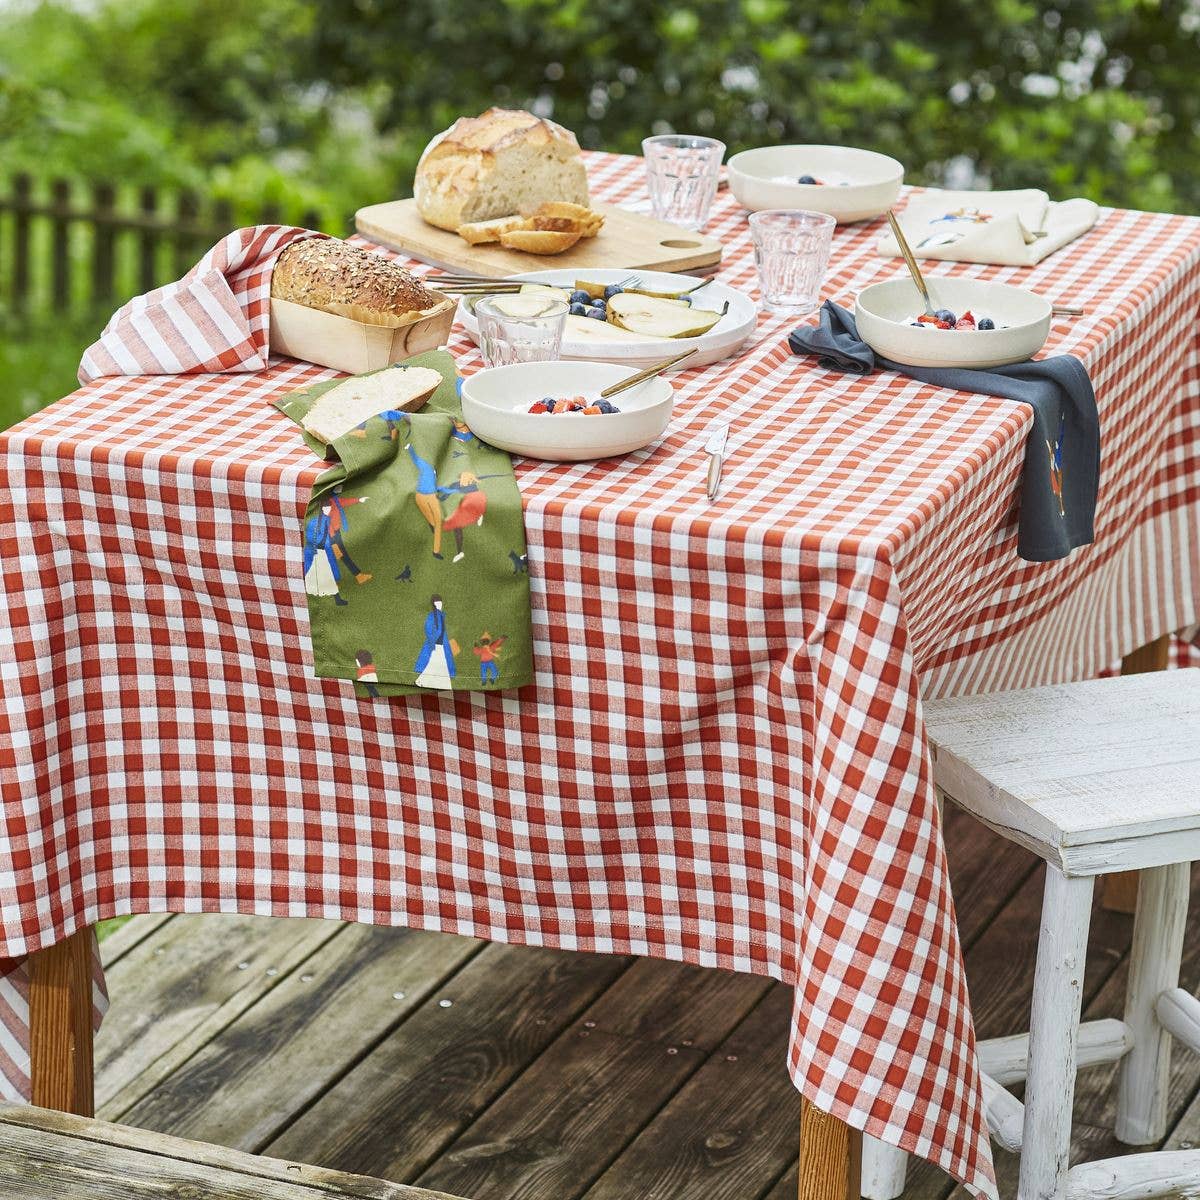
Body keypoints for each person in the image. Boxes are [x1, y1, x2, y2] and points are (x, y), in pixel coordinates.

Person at [407, 441, 445, 558]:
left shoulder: (435, 469)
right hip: (422, 496)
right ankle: (432, 529)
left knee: (438, 522)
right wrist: (410, 448)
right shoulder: (424, 464)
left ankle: (436, 551)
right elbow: (415, 459)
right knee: (434, 522)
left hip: (431, 495)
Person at [438, 472, 487, 563]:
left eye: (469, 479)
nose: (466, 480)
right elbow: (445, 495)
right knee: (456, 528)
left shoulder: (472, 487)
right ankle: (460, 552)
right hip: (459, 509)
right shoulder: (455, 485)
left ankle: (479, 515)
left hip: (471, 506)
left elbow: (478, 498)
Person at [414, 594, 457, 689]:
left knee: (438, 662)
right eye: (437, 603)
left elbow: (442, 630)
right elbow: (428, 628)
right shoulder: (432, 615)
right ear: (434, 604)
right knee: (436, 662)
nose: (440, 604)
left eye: (440, 602)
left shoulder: (442, 615)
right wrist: (433, 639)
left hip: (442, 643)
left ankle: (425, 682)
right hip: (435, 643)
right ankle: (425, 681)